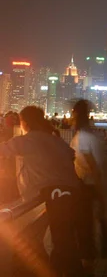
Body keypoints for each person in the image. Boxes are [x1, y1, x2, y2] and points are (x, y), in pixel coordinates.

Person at [0, 106, 84, 276]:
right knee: (61, 243)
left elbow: (3, 150)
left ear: (25, 122)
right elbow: (71, 155)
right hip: (73, 196)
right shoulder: (56, 140)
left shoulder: (26, 140)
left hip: (47, 200)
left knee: (44, 244)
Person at [71, 99, 107, 272]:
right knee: (86, 228)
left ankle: (86, 266)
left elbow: (93, 168)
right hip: (89, 187)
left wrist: (100, 195)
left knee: (83, 228)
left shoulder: (82, 138)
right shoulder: (93, 135)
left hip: (84, 187)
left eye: (72, 113)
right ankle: (87, 263)